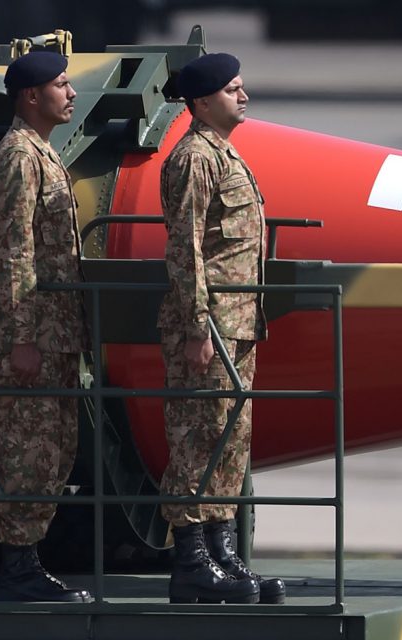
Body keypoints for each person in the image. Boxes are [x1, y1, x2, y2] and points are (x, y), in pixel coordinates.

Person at [157, 53, 286, 604]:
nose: (245, 97)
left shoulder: (224, 153)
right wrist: (195, 325)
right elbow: (184, 248)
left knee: (229, 441)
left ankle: (221, 552)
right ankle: (191, 562)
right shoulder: (194, 159)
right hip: (207, 326)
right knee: (197, 439)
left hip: (235, 324)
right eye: (234, 90)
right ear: (204, 101)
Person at [0, 50, 90, 603]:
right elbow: (11, 250)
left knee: (53, 449)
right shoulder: (20, 156)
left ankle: (28, 563)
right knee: (28, 449)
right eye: (61, 85)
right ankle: (18, 568)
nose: (71, 94)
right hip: (35, 336)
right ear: (30, 96)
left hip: (55, 334)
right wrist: (22, 334)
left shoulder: (42, 154)